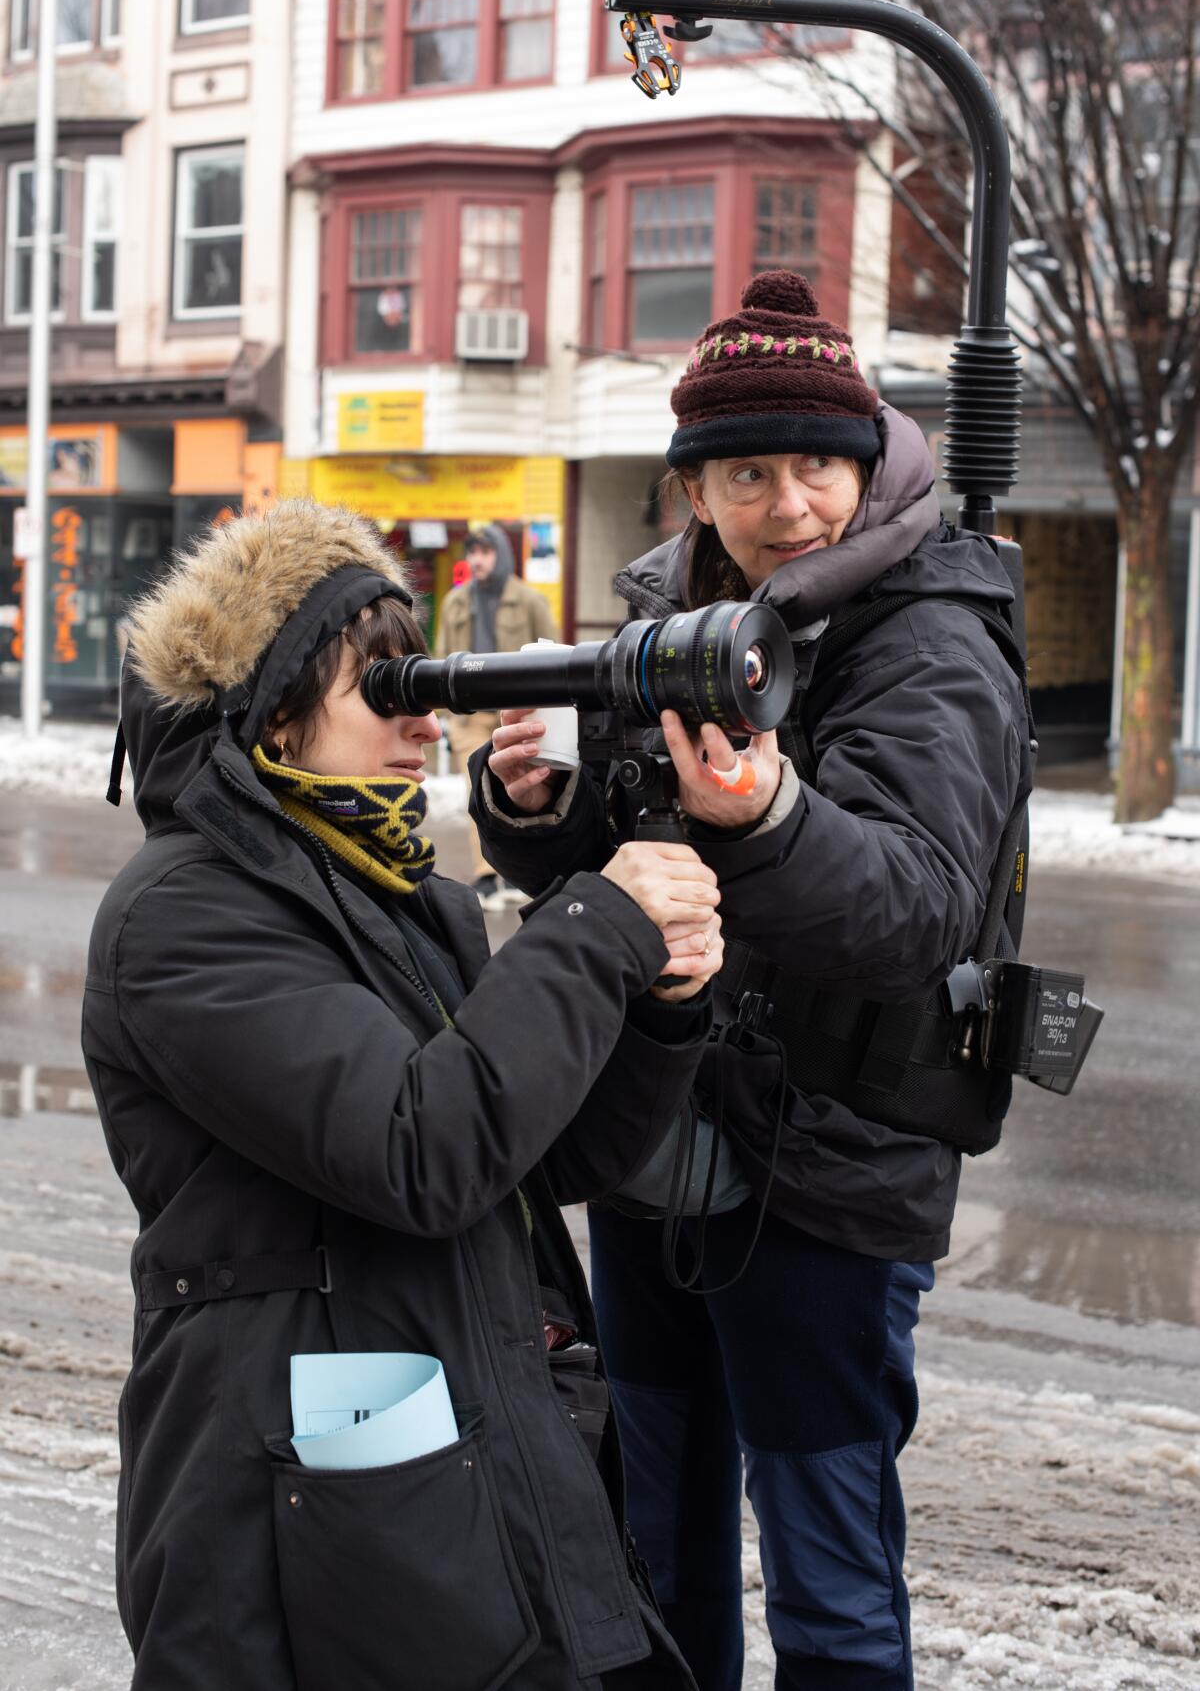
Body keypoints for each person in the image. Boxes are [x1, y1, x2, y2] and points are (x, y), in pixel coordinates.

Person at [471, 271, 1034, 1691]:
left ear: (867, 458)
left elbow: (920, 907)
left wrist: (771, 820)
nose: (791, 505)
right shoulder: (655, 613)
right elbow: (604, 870)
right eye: (747, 472)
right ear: (694, 488)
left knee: (828, 1573)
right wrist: (533, 804)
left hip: (833, 1169)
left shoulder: (933, 624)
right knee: (649, 1544)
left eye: (818, 467)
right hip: (660, 1140)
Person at [83, 499, 727, 1691]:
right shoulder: (184, 916)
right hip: (281, 1506)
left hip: (467, 1450)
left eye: (421, 683)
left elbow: (550, 1156)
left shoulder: (398, 890)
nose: (425, 721)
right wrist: (594, 926)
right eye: (381, 688)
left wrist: (662, 1005)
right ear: (271, 706)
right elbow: (423, 1147)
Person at [435, 522, 558, 909]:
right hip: (471, 716)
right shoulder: (455, 602)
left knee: (522, 789)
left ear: (500, 554)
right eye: (472, 552)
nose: (477, 560)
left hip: (517, 714)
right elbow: (441, 658)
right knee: (480, 790)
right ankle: (487, 873)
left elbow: (552, 654)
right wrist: (444, 716)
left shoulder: (529, 600)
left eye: (485, 552)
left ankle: (518, 870)